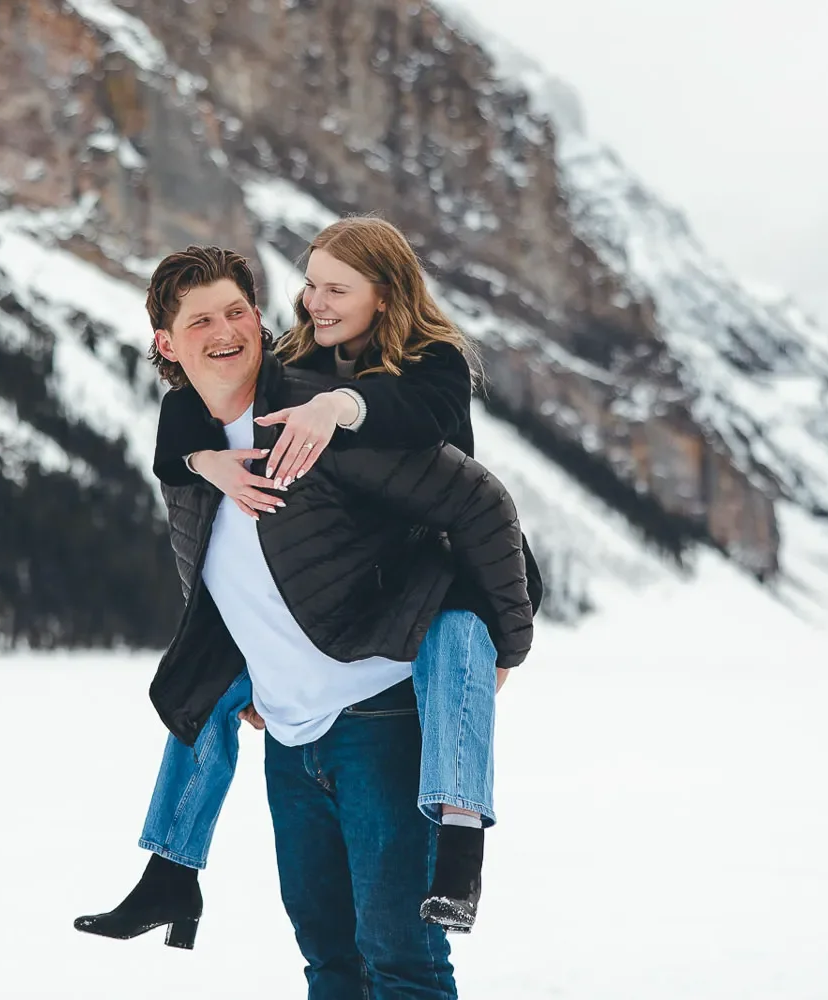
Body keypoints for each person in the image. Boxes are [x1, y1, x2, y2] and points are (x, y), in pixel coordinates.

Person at [79, 245, 533, 997]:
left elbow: (481, 504)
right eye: (201, 321)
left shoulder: (315, 417)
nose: (225, 330)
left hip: (382, 719)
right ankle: (168, 874)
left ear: (258, 319)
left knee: (402, 962)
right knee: (330, 962)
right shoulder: (190, 451)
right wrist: (198, 463)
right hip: (291, 740)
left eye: (236, 311)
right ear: (168, 345)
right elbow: (230, 587)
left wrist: (506, 645)